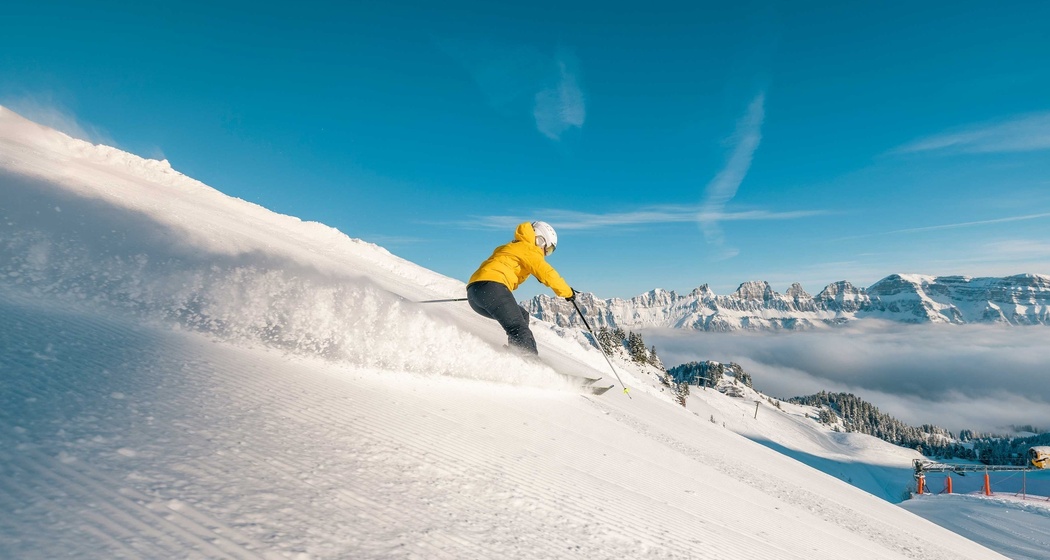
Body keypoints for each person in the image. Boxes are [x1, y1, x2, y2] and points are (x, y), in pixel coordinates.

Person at [467, 221, 576, 355]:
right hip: (492, 287)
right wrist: (567, 292)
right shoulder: (528, 249)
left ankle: (516, 353)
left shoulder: (511, 246)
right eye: (548, 249)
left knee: (522, 316)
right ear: (540, 240)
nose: (546, 253)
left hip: (475, 292)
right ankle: (531, 364)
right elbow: (547, 273)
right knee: (518, 328)